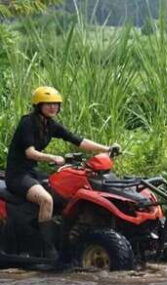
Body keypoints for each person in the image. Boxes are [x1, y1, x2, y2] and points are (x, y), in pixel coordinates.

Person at [5, 86, 119, 259]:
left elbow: (77, 140)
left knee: (62, 192)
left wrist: (107, 148)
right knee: (46, 199)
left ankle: (63, 236)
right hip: (18, 175)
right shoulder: (27, 122)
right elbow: (30, 152)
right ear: (38, 105)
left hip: (34, 172)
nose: (53, 108)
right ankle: (47, 249)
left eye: (56, 104)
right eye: (48, 104)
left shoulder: (50, 125)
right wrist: (53, 158)